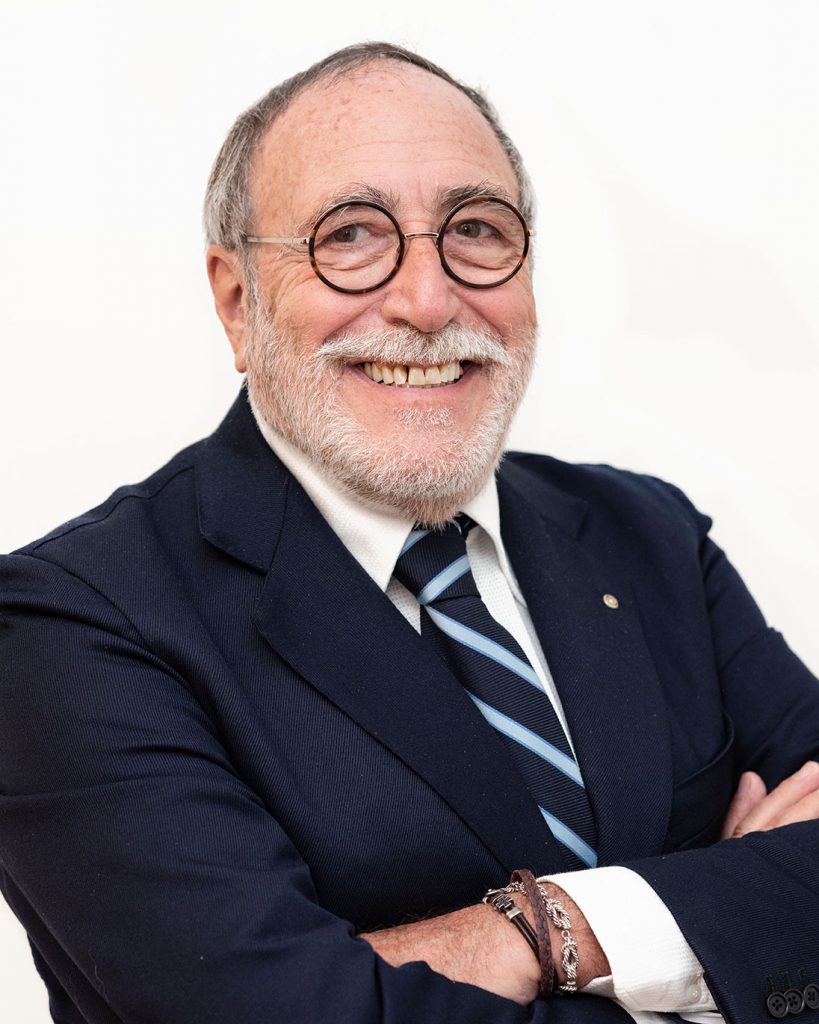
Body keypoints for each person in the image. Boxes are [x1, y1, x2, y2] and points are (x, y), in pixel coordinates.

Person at [1, 42, 818, 1024]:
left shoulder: (649, 537)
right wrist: (728, 932)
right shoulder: (71, 625)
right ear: (236, 301)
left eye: (475, 229)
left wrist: (548, 928)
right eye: (349, 235)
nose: (428, 301)